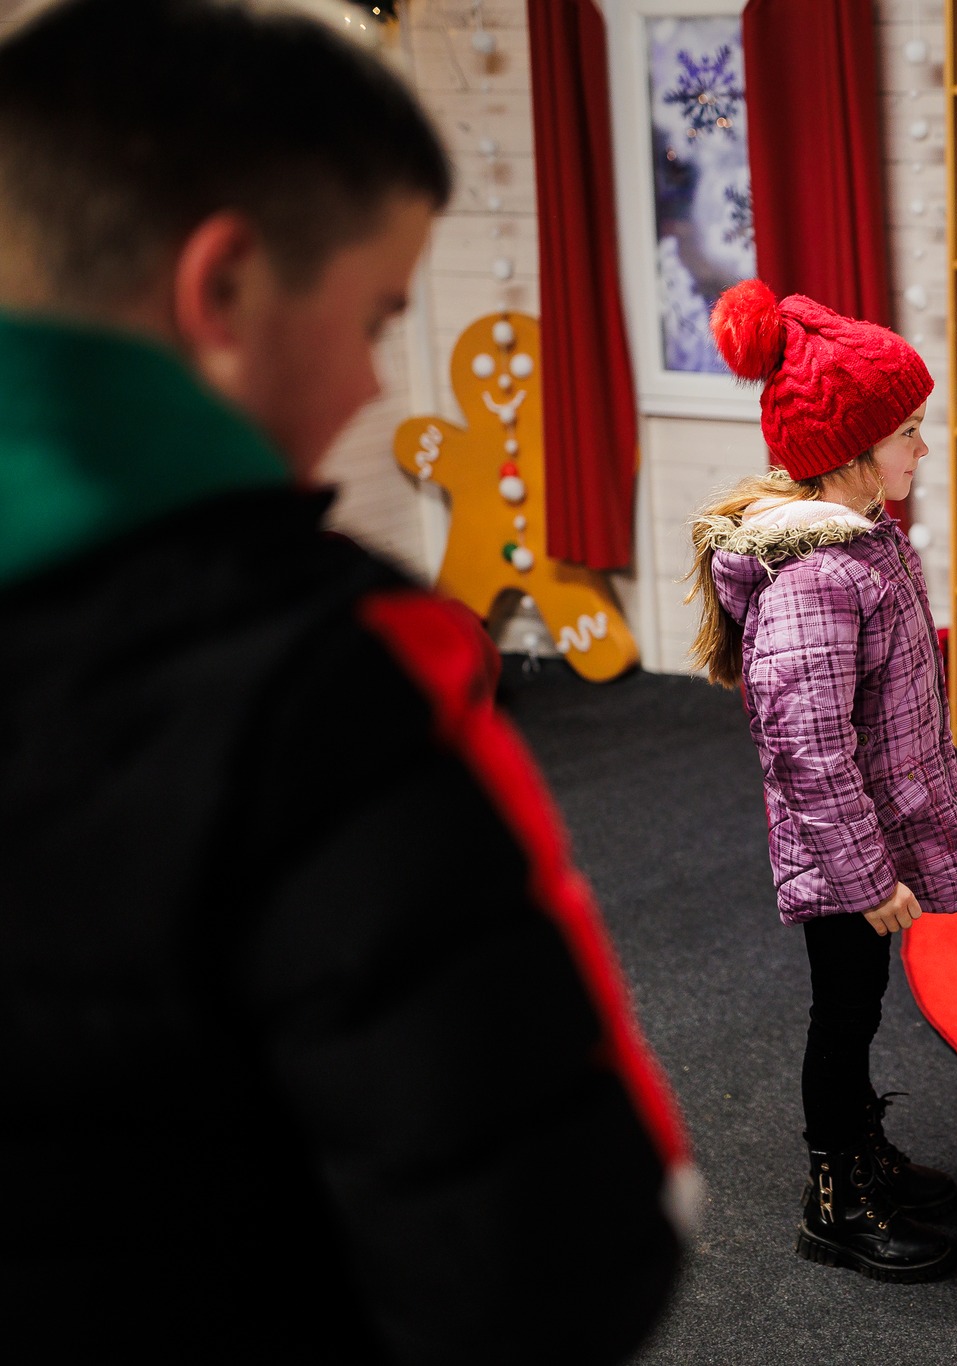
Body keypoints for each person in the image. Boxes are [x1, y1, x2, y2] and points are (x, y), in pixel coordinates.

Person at [0, 3, 690, 1361]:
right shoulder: (325, 681)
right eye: (375, 317)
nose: (375, 385)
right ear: (222, 289)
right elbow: (551, 1263)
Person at [692, 279, 957, 1282]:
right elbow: (807, 749)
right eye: (908, 433)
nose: (922, 450)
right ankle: (836, 1198)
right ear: (854, 449)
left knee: (859, 1001)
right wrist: (867, 877)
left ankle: (866, 1152)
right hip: (840, 854)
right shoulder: (819, 578)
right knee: (843, 1011)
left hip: (863, 833)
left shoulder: (865, 541)